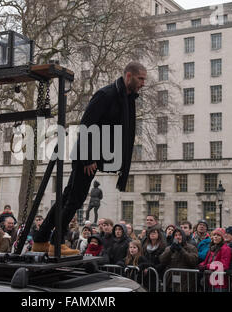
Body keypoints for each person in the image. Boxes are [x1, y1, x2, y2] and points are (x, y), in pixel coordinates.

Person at [32, 62, 147, 256]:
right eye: (141, 78)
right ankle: (55, 242)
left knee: (68, 197)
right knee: (74, 200)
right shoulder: (106, 95)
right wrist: (89, 158)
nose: (143, 83)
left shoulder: (126, 99)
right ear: (129, 76)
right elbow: (86, 126)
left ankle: (42, 239)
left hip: (94, 157)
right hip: (86, 157)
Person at [159, 227, 198, 292]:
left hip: (185, 281)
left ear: (183, 236)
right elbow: (162, 260)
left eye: (180, 235)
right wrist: (170, 250)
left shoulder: (191, 248)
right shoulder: (169, 248)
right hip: (171, 281)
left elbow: (193, 261)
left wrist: (181, 250)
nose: (178, 237)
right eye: (176, 235)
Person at [141, 227, 166, 291]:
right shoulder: (145, 246)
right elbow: (142, 258)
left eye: (154, 232)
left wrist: (152, 269)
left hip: (157, 274)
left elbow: (163, 262)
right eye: (151, 233)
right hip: (146, 274)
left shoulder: (163, 246)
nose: (152, 234)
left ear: (158, 234)